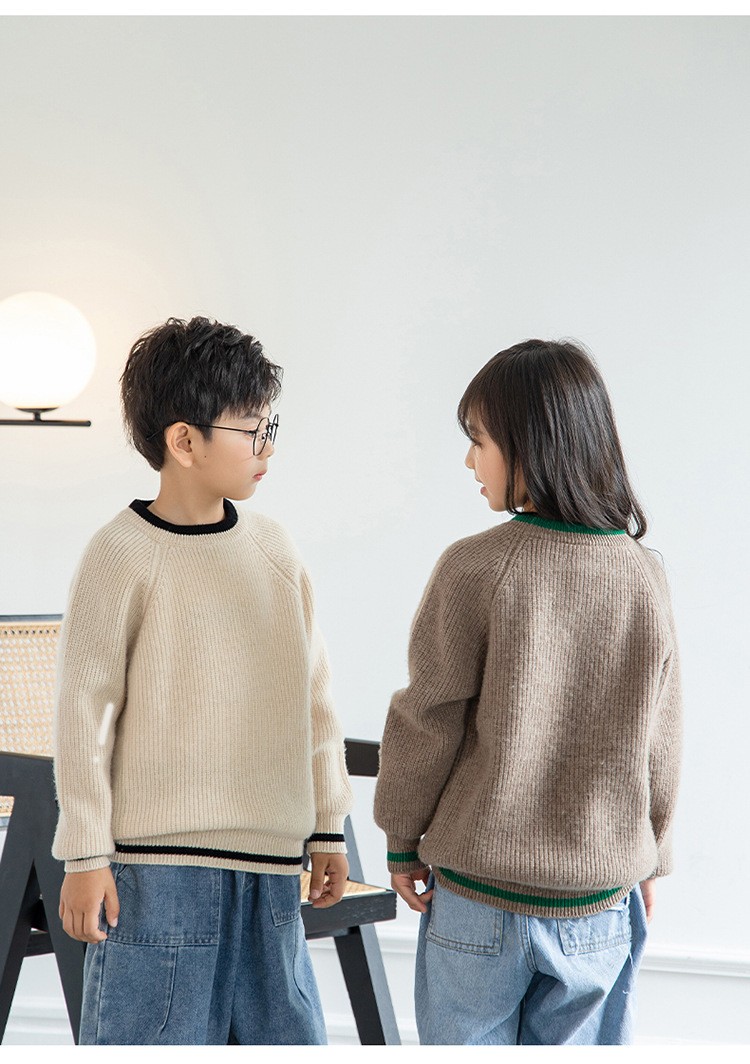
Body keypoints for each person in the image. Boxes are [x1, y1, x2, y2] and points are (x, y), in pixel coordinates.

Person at [53, 316, 353, 1045]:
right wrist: (85, 854)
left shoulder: (276, 551)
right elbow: (83, 716)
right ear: (184, 442)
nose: (268, 447)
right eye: (253, 431)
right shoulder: (119, 555)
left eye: (270, 426)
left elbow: (314, 701)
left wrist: (329, 826)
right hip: (155, 876)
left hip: (273, 874)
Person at [374, 339, 681, 1046]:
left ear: (531, 445)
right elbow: (661, 734)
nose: (469, 461)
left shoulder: (475, 568)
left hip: (478, 900)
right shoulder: (643, 575)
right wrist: (652, 854)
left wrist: (400, 839)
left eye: (479, 441)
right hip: (597, 905)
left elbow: (427, 718)